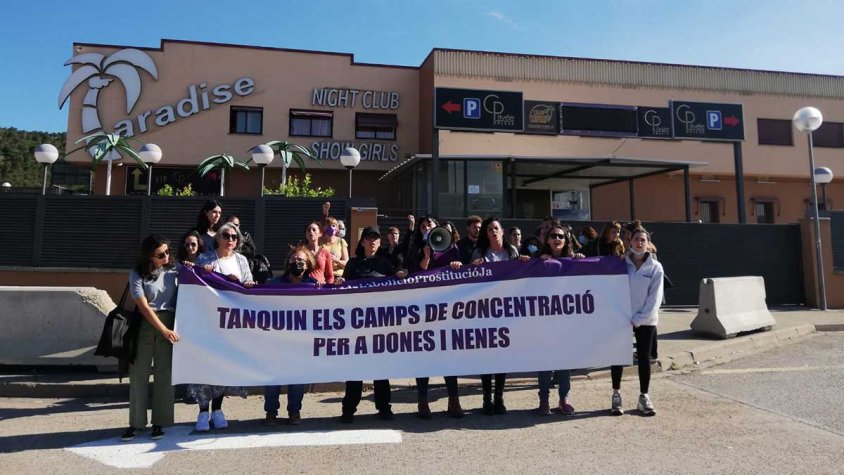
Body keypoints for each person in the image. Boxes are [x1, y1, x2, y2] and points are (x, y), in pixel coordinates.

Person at [457, 216, 530, 415]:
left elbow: (521, 277)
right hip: (485, 311)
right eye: (489, 229)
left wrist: (523, 262)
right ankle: (486, 398)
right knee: (487, 355)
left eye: (496, 228)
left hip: (506, 310)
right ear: (486, 234)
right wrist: (474, 267)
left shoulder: (512, 251)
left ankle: (499, 397)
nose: (493, 231)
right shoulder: (480, 252)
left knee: (501, 355)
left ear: (502, 230)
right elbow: (468, 280)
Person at [336, 226, 407, 423]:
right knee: (355, 370)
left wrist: (400, 275)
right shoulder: (353, 263)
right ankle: (348, 409)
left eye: (376, 239)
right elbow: (343, 290)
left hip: (379, 326)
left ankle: (384, 408)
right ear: (362, 242)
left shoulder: (385, 264)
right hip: (356, 327)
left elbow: (400, 281)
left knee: (381, 370)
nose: (373, 242)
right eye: (369, 238)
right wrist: (341, 283)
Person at [191, 222, 254, 431]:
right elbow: (194, 285)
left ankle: (217, 409)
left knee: (221, 367)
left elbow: (249, 284)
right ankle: (202, 411)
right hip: (207, 321)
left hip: (230, 322)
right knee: (204, 366)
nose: (230, 240)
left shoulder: (241, 260)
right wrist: (204, 273)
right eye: (226, 235)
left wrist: (241, 284)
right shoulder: (205, 259)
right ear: (218, 238)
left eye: (234, 237)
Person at [121, 234, 181, 442]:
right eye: (160, 254)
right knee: (139, 372)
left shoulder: (175, 270)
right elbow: (143, 306)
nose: (166, 256)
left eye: (167, 252)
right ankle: (136, 423)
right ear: (149, 256)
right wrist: (163, 330)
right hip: (146, 323)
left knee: (165, 373)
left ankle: (160, 422)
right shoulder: (137, 274)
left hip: (170, 320)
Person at [610, 225, 664, 417]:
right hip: (622, 319)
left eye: (643, 240)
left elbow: (655, 298)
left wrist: (639, 319)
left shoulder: (655, 267)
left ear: (648, 243)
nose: (639, 243)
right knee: (617, 358)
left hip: (646, 320)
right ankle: (616, 395)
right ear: (629, 242)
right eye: (636, 239)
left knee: (643, 358)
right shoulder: (620, 263)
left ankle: (644, 396)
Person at [262, 246, 317, 425]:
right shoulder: (273, 284)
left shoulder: (313, 286)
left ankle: (294, 411)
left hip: (300, 342)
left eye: (301, 261)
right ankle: (271, 412)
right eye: (294, 260)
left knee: (297, 378)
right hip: (276, 341)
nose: (297, 263)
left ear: (308, 264)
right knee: (272, 378)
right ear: (288, 263)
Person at [535, 225, 584, 416]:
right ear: (547, 240)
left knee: (564, 362)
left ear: (566, 240)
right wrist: (537, 262)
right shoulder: (538, 261)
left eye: (560, 236)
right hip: (544, 321)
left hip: (566, 322)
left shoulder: (574, 261)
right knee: (545, 362)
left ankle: (564, 399)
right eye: (553, 236)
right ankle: (544, 400)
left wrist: (580, 262)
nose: (557, 238)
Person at [304, 220, 334, 285]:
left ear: (320, 234)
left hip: (321, 290)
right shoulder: (301, 252)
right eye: (308, 230)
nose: (311, 232)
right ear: (306, 234)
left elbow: (330, 276)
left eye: (314, 230)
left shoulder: (325, 253)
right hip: (305, 287)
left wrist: (328, 288)